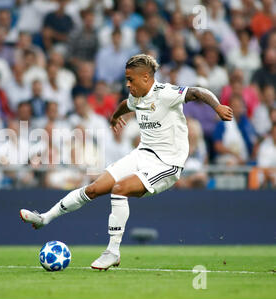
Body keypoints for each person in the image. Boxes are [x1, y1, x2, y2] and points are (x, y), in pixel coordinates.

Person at [20, 54, 233, 270]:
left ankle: (112, 251)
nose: (127, 84)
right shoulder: (136, 97)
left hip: (166, 164)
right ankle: (45, 218)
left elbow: (198, 92)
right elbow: (126, 105)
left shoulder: (166, 94)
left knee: (119, 189)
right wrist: (114, 117)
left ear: (146, 78)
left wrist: (218, 107)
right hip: (142, 154)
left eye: (131, 79)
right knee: (94, 188)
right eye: (126, 79)